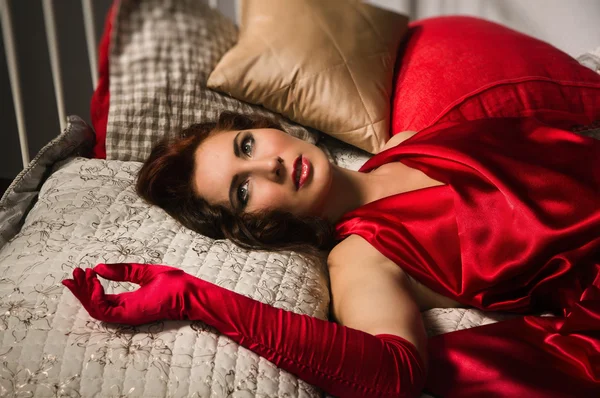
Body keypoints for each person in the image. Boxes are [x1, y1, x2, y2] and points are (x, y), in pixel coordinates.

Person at [63, 112, 600, 398]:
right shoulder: (361, 259)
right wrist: (196, 298)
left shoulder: (405, 141)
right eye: (243, 191)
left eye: (247, 146)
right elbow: (394, 376)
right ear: (253, 225)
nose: (267, 166)